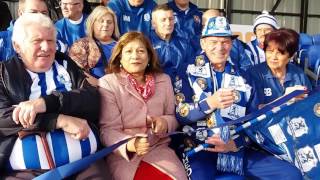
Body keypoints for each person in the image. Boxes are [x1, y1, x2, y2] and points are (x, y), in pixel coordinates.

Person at [174, 16, 303, 180]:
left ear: (232, 44)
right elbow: (181, 114)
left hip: (236, 148)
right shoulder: (187, 71)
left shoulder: (244, 77)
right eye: (214, 41)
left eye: (225, 42)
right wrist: (210, 103)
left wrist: (236, 144)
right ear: (203, 43)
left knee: (290, 175)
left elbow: (255, 120)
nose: (220, 47)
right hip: (199, 148)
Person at [0, 13, 107, 179]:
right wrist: (58, 120)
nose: (46, 47)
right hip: (26, 173)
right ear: (17, 45)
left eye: (50, 41)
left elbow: (91, 100)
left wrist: (45, 103)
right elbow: (3, 118)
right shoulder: (3, 73)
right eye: (37, 41)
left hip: (84, 164)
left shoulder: (66, 64)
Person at [99, 31, 187, 180]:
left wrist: (164, 122)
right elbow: (107, 131)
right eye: (129, 51)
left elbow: (173, 117)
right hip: (126, 157)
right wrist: (130, 145)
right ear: (120, 57)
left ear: (149, 56)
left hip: (159, 151)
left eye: (141, 51)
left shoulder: (164, 80)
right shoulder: (108, 83)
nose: (135, 56)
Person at [248, 28, 312, 105]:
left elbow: (310, 105)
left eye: (280, 53)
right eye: (270, 51)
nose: (273, 57)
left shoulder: (299, 74)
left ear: (291, 56)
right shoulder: (254, 74)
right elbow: (255, 111)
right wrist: (286, 99)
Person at [69, 6, 119, 86]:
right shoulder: (82, 44)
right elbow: (75, 70)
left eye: (109, 22)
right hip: (95, 90)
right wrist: (100, 84)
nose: (105, 24)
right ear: (93, 24)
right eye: (101, 21)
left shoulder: (123, 44)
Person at [149, 4, 194, 83]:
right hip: (156, 85)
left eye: (171, 19)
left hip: (182, 86)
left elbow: (192, 66)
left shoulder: (184, 41)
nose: (168, 23)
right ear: (153, 23)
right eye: (163, 20)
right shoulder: (147, 42)